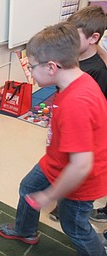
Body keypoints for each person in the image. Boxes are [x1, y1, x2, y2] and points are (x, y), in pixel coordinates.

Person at [0, 22, 107, 256]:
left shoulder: (76, 104)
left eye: (31, 66)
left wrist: (49, 195)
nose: (29, 73)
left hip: (80, 181)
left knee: (75, 228)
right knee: (28, 187)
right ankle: (25, 230)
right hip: (55, 162)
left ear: (51, 67)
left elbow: (81, 166)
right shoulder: (75, 81)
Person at [49, 5, 107, 221]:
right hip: (65, 123)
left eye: (75, 36)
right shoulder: (74, 59)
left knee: (76, 165)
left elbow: (90, 115)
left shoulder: (97, 71)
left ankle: (66, 205)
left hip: (83, 132)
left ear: (93, 38)